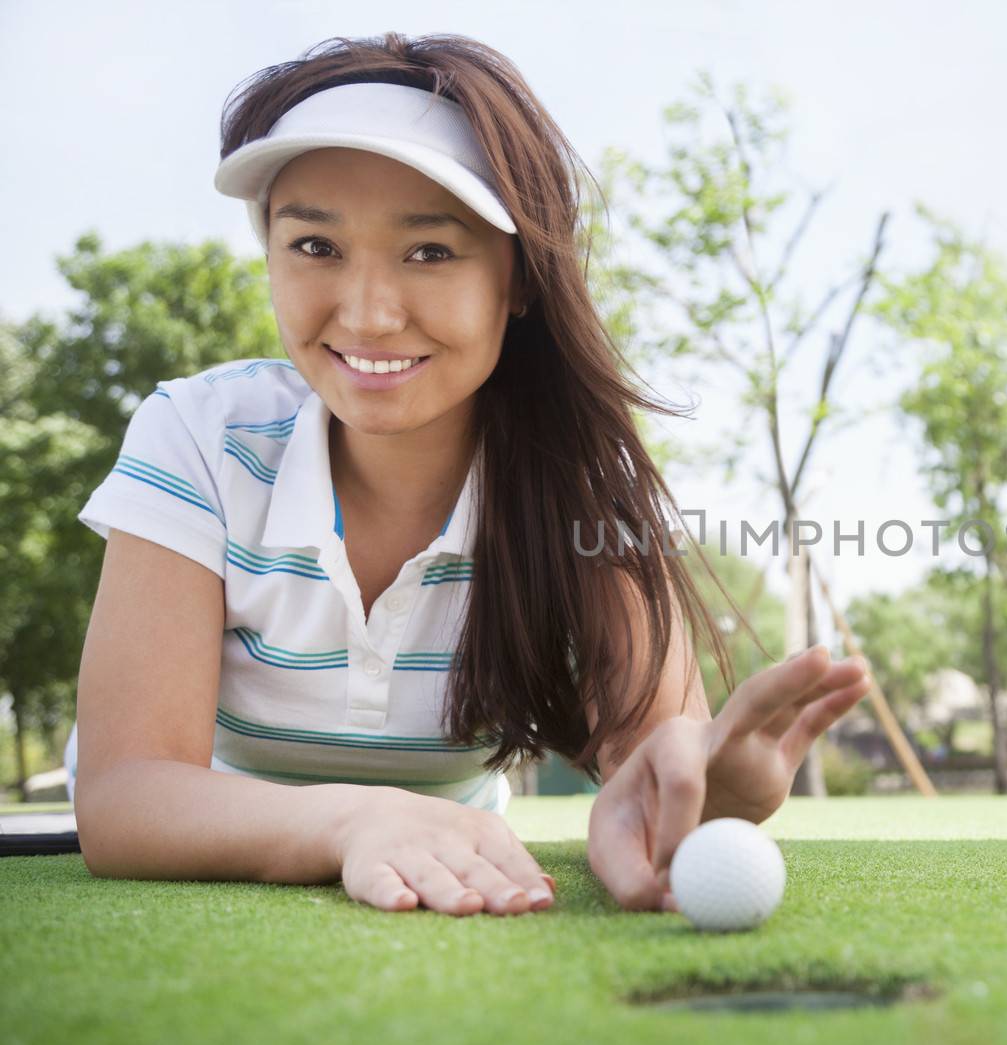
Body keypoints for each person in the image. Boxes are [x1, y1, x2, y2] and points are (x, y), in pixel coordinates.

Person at [68, 32, 870, 918]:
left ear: (519, 280)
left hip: (456, 871)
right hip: (224, 839)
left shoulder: (580, 477)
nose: (368, 314)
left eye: (430, 253)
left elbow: (657, 758)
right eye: (314, 246)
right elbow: (125, 797)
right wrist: (351, 823)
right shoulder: (195, 434)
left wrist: (709, 790)